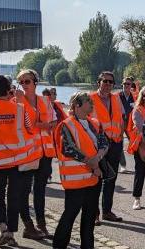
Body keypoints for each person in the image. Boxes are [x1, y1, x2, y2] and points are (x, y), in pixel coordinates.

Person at [0, 75, 43, 247]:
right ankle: (11, 234)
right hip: (17, 162)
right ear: (9, 90)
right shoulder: (20, 109)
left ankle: (4, 229)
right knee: (13, 198)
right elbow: (30, 127)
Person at [52, 91, 108, 249]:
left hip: (93, 179)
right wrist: (93, 164)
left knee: (89, 217)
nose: (92, 103)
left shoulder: (95, 123)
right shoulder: (66, 125)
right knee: (69, 216)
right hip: (75, 181)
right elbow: (68, 149)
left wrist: (96, 161)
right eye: (88, 101)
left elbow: (105, 142)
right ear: (77, 105)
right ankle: (59, 246)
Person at [13, 69, 58, 240]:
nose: (24, 85)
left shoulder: (45, 100)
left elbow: (53, 122)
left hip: (45, 152)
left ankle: (41, 225)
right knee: (24, 191)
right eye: (22, 82)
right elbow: (25, 126)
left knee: (39, 190)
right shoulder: (17, 101)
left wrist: (41, 125)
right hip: (27, 153)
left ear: (35, 82)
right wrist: (42, 125)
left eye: (27, 81)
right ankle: (28, 225)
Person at [89, 71, 126, 224]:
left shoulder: (116, 98)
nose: (108, 84)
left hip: (115, 143)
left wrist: (120, 137)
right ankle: (94, 213)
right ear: (99, 82)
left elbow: (122, 119)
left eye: (111, 82)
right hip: (98, 144)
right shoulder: (90, 98)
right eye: (105, 81)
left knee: (111, 178)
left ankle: (107, 211)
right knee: (96, 178)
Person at [127, 86, 145, 210]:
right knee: (140, 172)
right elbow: (139, 127)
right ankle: (137, 199)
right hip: (141, 144)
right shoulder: (137, 110)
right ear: (144, 96)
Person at [118, 76, 136, 173]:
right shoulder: (117, 96)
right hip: (120, 123)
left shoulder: (134, 97)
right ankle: (123, 165)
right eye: (124, 84)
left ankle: (139, 163)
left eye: (128, 84)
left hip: (131, 124)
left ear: (131, 85)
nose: (126, 85)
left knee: (134, 143)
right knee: (119, 144)